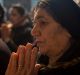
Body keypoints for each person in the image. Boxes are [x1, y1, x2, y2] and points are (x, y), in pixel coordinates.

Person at [5, 0, 80, 75]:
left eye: (43, 22)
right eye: (34, 23)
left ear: (69, 27)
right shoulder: (38, 62)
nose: (33, 32)